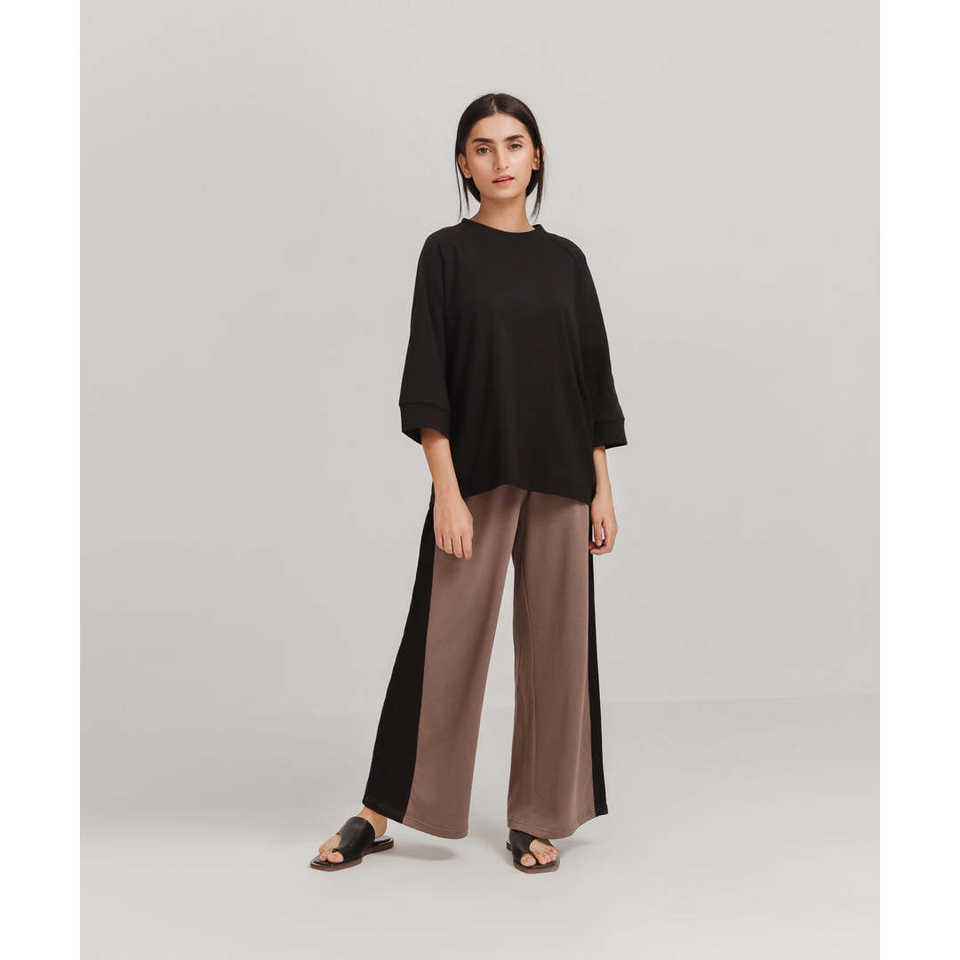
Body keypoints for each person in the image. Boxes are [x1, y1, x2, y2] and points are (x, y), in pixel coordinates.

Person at [310, 92, 627, 874]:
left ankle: (538, 816)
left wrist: (603, 488)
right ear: (464, 163)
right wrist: (445, 491)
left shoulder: (567, 262)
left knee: (559, 653)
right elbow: (429, 380)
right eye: (483, 148)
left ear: (537, 157)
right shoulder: (446, 254)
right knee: (441, 645)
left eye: (514, 144)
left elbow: (592, 381)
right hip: (476, 475)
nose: (500, 160)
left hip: (563, 477)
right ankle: (378, 810)